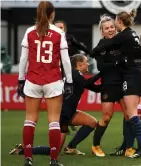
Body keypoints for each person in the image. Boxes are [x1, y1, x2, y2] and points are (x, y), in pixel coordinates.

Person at [17, 1, 73, 166]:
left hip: (32, 80)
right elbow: (65, 61)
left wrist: (21, 79)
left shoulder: (29, 31)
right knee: (54, 121)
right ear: (52, 14)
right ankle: (53, 160)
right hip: (53, 81)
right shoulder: (58, 32)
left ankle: (28, 158)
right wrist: (69, 81)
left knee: (30, 120)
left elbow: (23, 59)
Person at [10, 54, 101, 156]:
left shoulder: (75, 76)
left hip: (69, 112)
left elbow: (94, 88)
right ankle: (22, 150)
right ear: (79, 64)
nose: (88, 64)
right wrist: (101, 74)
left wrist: (109, 86)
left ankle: (71, 147)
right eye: (86, 62)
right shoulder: (74, 73)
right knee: (55, 150)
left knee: (92, 122)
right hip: (63, 115)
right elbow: (87, 83)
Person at [91, 9, 141, 158]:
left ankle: (128, 147)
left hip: (124, 82)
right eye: (107, 28)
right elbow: (101, 67)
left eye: (112, 27)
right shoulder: (102, 45)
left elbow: (135, 53)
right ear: (102, 31)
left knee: (129, 115)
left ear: (116, 26)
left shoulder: (121, 40)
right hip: (109, 84)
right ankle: (95, 145)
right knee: (107, 117)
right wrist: (117, 62)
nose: (110, 29)